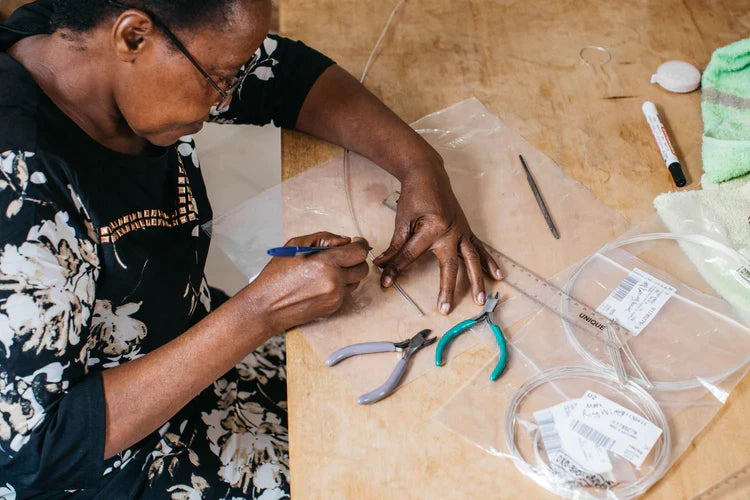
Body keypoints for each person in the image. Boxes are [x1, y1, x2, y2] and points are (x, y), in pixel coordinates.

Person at [0, 0, 502, 497]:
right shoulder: (21, 190)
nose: (225, 101)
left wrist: (418, 166)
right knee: (368, 476)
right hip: (113, 465)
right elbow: (35, 451)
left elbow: (284, 75)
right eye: (218, 79)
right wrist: (260, 311)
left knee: (396, 414)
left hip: (191, 340)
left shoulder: (75, 36)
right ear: (132, 36)